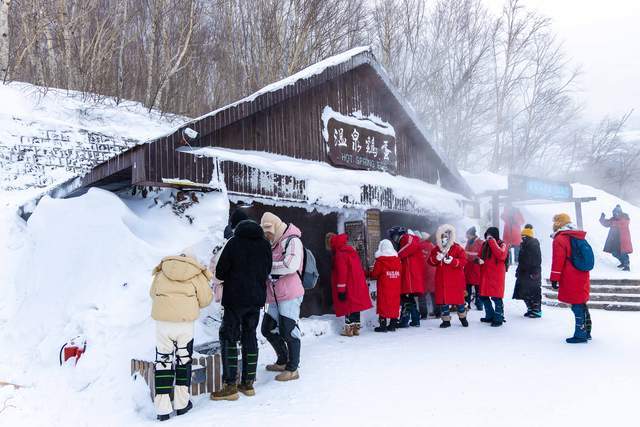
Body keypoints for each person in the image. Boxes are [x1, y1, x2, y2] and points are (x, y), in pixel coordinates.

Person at [211, 219, 273, 401]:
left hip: (235, 299)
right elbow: (268, 269)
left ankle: (230, 386)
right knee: (250, 335)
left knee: (228, 336)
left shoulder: (234, 243)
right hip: (255, 300)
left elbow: (220, 272)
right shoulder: (264, 245)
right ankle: (248, 383)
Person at [150, 254, 213, 421]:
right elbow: (206, 300)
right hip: (184, 324)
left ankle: (162, 409)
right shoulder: (195, 273)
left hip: (163, 324)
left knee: (163, 361)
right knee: (183, 360)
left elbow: (152, 294)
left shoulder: (162, 271)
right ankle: (181, 404)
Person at [259, 212, 306, 381]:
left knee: (289, 331)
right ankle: (283, 360)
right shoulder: (271, 244)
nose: (267, 235)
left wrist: (266, 266)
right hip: (273, 296)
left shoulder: (292, 241)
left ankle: (293, 368)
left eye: (268, 231)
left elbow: (290, 265)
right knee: (267, 329)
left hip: (289, 295)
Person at [550, 213, 592, 344]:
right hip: (582, 273)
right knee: (581, 303)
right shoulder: (577, 235)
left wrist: (554, 278)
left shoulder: (560, 238)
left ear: (558, 223)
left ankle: (580, 334)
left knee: (576, 305)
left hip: (570, 275)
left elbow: (558, 260)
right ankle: (587, 331)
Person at [326, 232, 373, 336]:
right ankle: (356, 328)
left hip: (348, 285)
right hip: (357, 283)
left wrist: (341, 290)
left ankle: (348, 329)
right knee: (356, 307)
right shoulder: (350, 251)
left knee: (348, 307)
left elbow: (342, 273)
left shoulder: (340, 255)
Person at [427, 224, 468, 328]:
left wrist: (453, 261)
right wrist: (437, 258)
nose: (444, 238)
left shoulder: (458, 248)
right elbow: (430, 262)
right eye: (442, 235)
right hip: (442, 280)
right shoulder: (436, 249)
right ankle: (446, 320)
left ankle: (463, 318)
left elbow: (464, 261)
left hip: (455, 280)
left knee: (459, 301)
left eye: (446, 235)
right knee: (443, 301)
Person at [478, 227, 509, 327]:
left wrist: (492, 242)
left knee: (496, 297)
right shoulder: (484, 244)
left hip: (496, 275)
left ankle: (499, 318)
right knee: (483, 296)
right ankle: (490, 315)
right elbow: (480, 255)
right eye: (487, 235)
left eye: (490, 235)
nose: (488, 237)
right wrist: (478, 260)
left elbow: (501, 255)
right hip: (486, 274)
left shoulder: (502, 244)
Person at [370, 239, 402, 332]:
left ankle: (383, 326)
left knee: (383, 305)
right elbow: (401, 271)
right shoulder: (397, 260)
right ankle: (392, 325)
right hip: (395, 286)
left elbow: (374, 274)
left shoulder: (380, 261)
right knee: (394, 305)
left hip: (384, 287)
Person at [397, 230, 427, 327]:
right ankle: (415, 320)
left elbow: (409, 247)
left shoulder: (409, 240)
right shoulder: (416, 243)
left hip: (410, 277)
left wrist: (396, 255)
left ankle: (405, 321)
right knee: (410, 299)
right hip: (413, 277)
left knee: (406, 299)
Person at [513, 224, 542, 318]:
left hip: (531, 272)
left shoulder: (533, 244)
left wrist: (535, 272)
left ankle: (536, 310)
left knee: (533, 291)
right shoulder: (524, 245)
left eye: (524, 237)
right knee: (523, 291)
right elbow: (521, 261)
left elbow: (537, 259)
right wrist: (518, 271)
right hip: (524, 272)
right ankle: (530, 308)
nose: (522, 238)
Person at [600, 205, 633, 271]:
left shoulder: (625, 218)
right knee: (614, 253)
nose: (615, 214)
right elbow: (606, 224)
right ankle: (623, 262)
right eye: (614, 213)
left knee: (623, 253)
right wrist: (602, 218)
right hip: (615, 240)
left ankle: (627, 265)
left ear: (620, 213)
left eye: (617, 213)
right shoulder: (613, 219)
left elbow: (621, 223)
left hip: (623, 240)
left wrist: (612, 222)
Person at [418, 232, 438, 319]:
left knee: (422, 295)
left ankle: (423, 314)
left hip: (423, 272)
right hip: (433, 272)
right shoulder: (433, 246)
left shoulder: (420, 246)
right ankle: (438, 313)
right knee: (434, 295)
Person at [464, 226, 484, 311]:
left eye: (467, 235)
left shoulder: (480, 242)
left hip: (476, 267)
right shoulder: (469, 242)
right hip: (469, 268)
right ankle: (467, 304)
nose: (466, 236)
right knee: (468, 287)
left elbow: (481, 254)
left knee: (478, 287)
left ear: (471, 234)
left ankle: (479, 304)